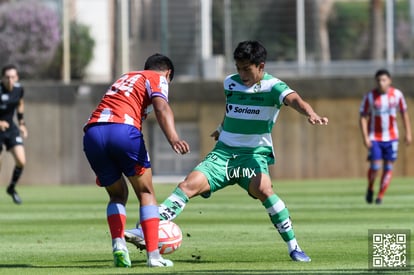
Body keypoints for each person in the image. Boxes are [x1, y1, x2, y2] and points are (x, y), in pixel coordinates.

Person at [125, 41, 328, 262]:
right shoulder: (230, 83)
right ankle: (145, 230)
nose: (241, 74)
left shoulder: (274, 87)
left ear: (261, 66)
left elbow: (296, 100)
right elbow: (231, 109)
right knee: (187, 186)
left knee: (265, 190)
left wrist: (311, 114)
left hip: (252, 156)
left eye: (246, 69)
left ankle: (294, 246)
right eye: (238, 68)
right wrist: (222, 128)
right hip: (223, 155)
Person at [83, 54, 190, 268]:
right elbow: (161, 107)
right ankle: (153, 256)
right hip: (122, 130)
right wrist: (174, 138)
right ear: (168, 73)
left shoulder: (126, 77)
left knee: (117, 194)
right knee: (146, 193)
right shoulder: (157, 77)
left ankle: (119, 245)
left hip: (93, 133)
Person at [359, 69, 411, 205]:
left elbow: (404, 114)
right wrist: (365, 137)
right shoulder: (370, 97)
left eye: (384, 80)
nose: (381, 83)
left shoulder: (397, 95)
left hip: (392, 137)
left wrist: (408, 133)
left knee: (388, 167)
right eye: (379, 80)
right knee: (375, 167)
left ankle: (380, 196)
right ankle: (370, 187)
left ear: (390, 80)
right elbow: (363, 117)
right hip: (375, 137)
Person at [0, 64, 28, 205]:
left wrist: (22, 123)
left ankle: (11, 188)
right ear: (2, 78)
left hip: (11, 129)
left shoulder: (19, 89)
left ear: (16, 77)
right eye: (7, 77)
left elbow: (20, 104)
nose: (10, 80)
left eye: (13, 77)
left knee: (21, 161)